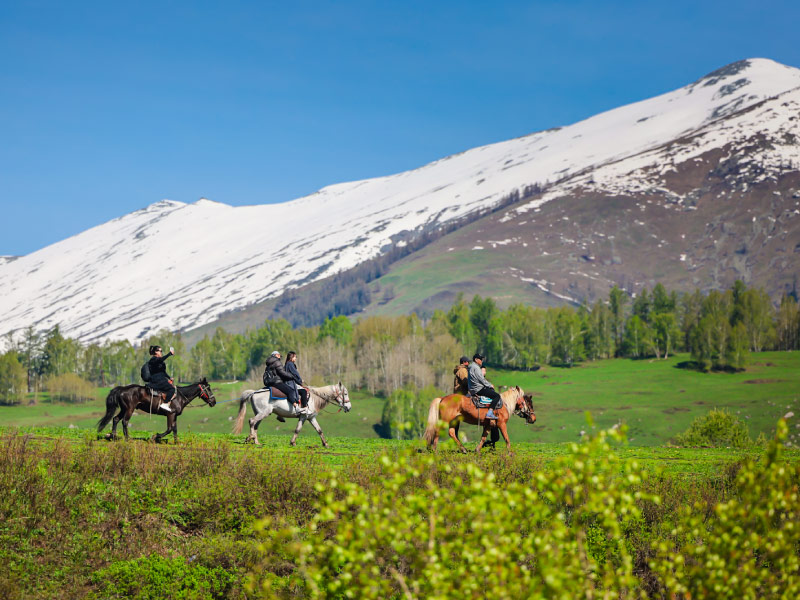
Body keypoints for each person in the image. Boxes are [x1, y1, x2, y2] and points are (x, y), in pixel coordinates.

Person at [468, 353, 502, 419]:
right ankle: (489, 413)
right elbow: (481, 379)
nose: (481, 361)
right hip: (478, 389)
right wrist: (490, 385)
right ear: (476, 359)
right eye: (480, 359)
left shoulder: (470, 367)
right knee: (497, 396)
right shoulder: (476, 368)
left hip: (472, 389)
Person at [146, 345, 176, 413]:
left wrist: (169, 378)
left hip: (161, 379)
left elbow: (163, 372)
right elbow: (161, 359)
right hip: (156, 380)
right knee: (172, 389)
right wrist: (169, 354)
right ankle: (165, 404)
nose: (161, 352)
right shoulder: (153, 360)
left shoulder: (159, 361)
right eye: (160, 351)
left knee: (171, 387)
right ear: (156, 352)